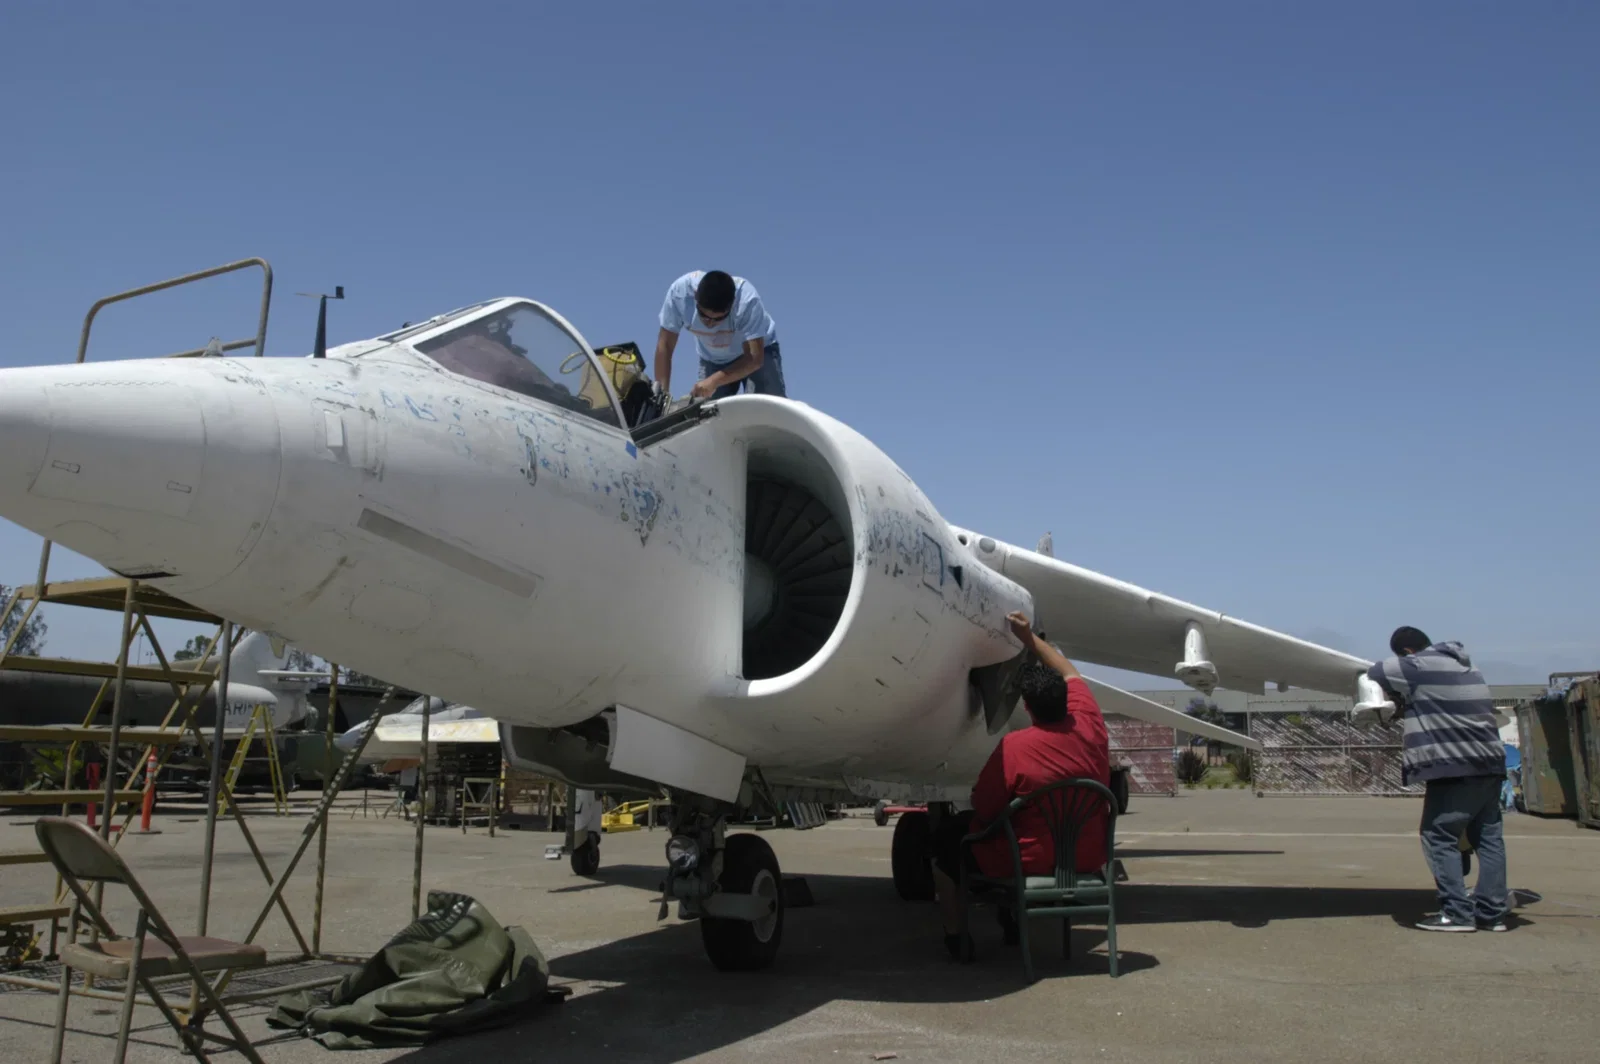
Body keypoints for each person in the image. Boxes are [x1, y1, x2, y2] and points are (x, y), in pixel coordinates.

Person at [930, 611, 1111, 957]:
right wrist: (1028, 638)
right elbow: (1069, 671)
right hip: (1087, 856)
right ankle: (1011, 919)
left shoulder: (1016, 747)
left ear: (1027, 707)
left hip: (1028, 859)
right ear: (1068, 701)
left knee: (947, 845)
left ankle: (957, 937)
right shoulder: (1090, 723)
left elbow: (984, 806)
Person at [1367, 626, 1509, 932]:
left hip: (1454, 766)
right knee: (1489, 839)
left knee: (1438, 835)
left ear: (1406, 651)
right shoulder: (1468, 666)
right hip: (1490, 764)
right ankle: (1492, 914)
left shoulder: (1417, 665)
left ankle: (1456, 914)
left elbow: (1374, 671)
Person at [654, 270, 786, 401]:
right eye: (704, 316)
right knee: (706, 415)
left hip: (757, 353)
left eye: (718, 319)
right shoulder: (679, 294)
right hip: (713, 359)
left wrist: (714, 381)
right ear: (695, 297)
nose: (710, 324)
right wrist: (662, 396)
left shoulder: (747, 300)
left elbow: (754, 359)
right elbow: (665, 345)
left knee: (766, 406)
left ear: (732, 305)